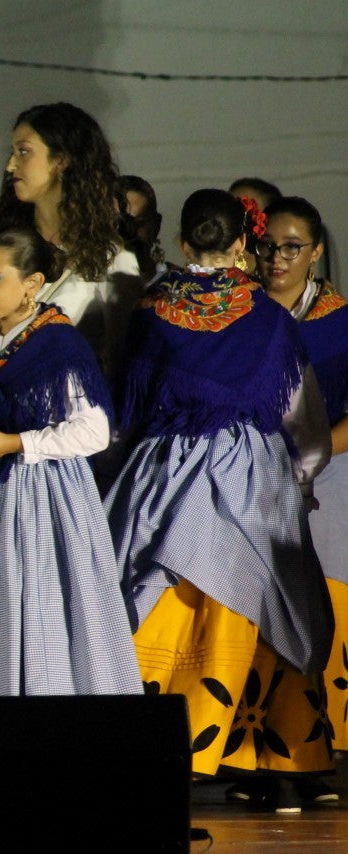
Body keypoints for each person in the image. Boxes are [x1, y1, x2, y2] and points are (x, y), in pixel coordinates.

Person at [104, 189, 333, 812]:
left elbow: (130, 405)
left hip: (165, 470)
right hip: (249, 474)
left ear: (183, 244)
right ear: (243, 245)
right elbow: (299, 415)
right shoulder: (269, 317)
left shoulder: (152, 308)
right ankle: (276, 762)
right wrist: (302, 476)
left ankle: (156, 751)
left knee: (157, 591)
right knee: (266, 596)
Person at [0, 226, 141, 697]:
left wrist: (13, 443)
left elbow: (93, 430)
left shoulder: (57, 344)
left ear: (32, 284)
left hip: (41, 499)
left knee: (43, 618)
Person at [256, 196, 348, 783]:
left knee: (331, 602)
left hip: (332, 476)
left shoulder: (341, 320)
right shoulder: (242, 314)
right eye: (268, 247)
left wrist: (310, 458)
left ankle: (333, 745)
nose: (277, 259)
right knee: (273, 611)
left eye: (292, 247)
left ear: (316, 252)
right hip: (260, 481)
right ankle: (281, 755)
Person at [0, 103, 142, 380]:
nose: (10, 165)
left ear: (61, 160)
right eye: (12, 152)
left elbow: (122, 367)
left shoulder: (113, 261)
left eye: (24, 151)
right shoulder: (1, 245)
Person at [118, 175, 166, 281]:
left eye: (139, 223)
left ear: (156, 225)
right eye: (120, 223)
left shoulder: (176, 286)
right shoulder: (90, 289)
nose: (129, 231)